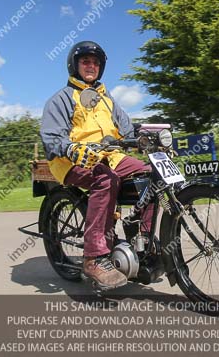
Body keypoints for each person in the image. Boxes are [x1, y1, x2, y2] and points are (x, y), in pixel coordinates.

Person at [40, 41, 153, 290]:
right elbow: (51, 137)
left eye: (95, 63)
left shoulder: (105, 98)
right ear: (74, 65)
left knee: (150, 176)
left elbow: (126, 129)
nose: (91, 66)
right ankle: (94, 257)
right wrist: (71, 148)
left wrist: (146, 135)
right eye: (85, 62)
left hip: (110, 156)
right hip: (70, 161)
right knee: (105, 179)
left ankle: (141, 238)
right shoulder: (61, 99)